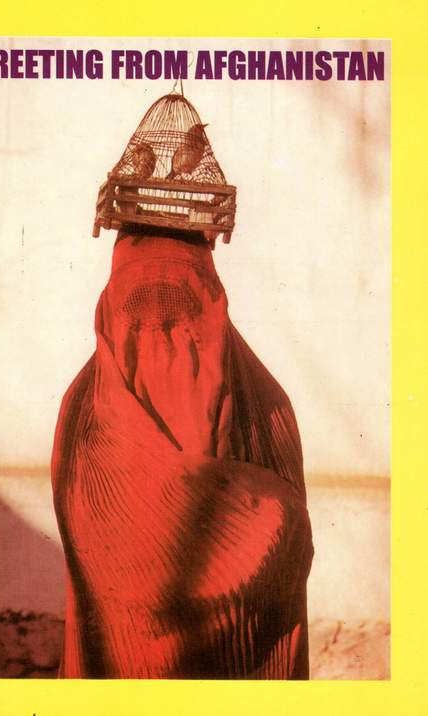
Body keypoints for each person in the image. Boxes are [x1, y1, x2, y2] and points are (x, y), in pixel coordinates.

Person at [51, 225, 313, 679]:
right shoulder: (83, 410)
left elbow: (283, 581)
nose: (161, 326)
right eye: (138, 307)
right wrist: (271, 518)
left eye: (183, 307)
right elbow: (116, 564)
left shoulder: (265, 408)